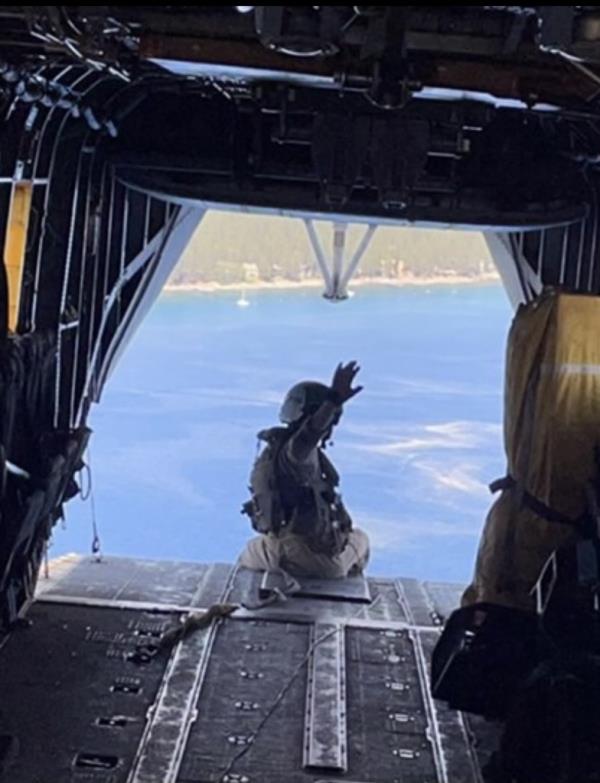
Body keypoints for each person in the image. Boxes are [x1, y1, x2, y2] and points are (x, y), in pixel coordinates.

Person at [239, 361, 370, 579]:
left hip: (277, 547)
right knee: (361, 540)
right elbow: (309, 435)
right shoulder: (298, 455)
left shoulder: (274, 451)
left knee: (247, 555)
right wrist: (332, 402)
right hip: (316, 563)